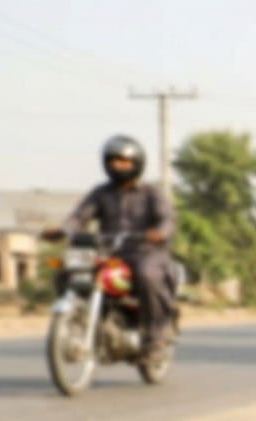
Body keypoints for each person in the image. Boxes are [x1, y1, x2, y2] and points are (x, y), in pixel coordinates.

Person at [50, 135, 177, 355]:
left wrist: (159, 233)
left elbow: (168, 219)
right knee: (66, 273)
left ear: (137, 164)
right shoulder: (101, 193)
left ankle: (155, 334)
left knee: (146, 274)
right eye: (113, 161)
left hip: (146, 252)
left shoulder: (151, 193)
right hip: (110, 253)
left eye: (123, 161)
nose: (117, 166)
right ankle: (83, 318)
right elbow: (79, 217)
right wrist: (63, 230)